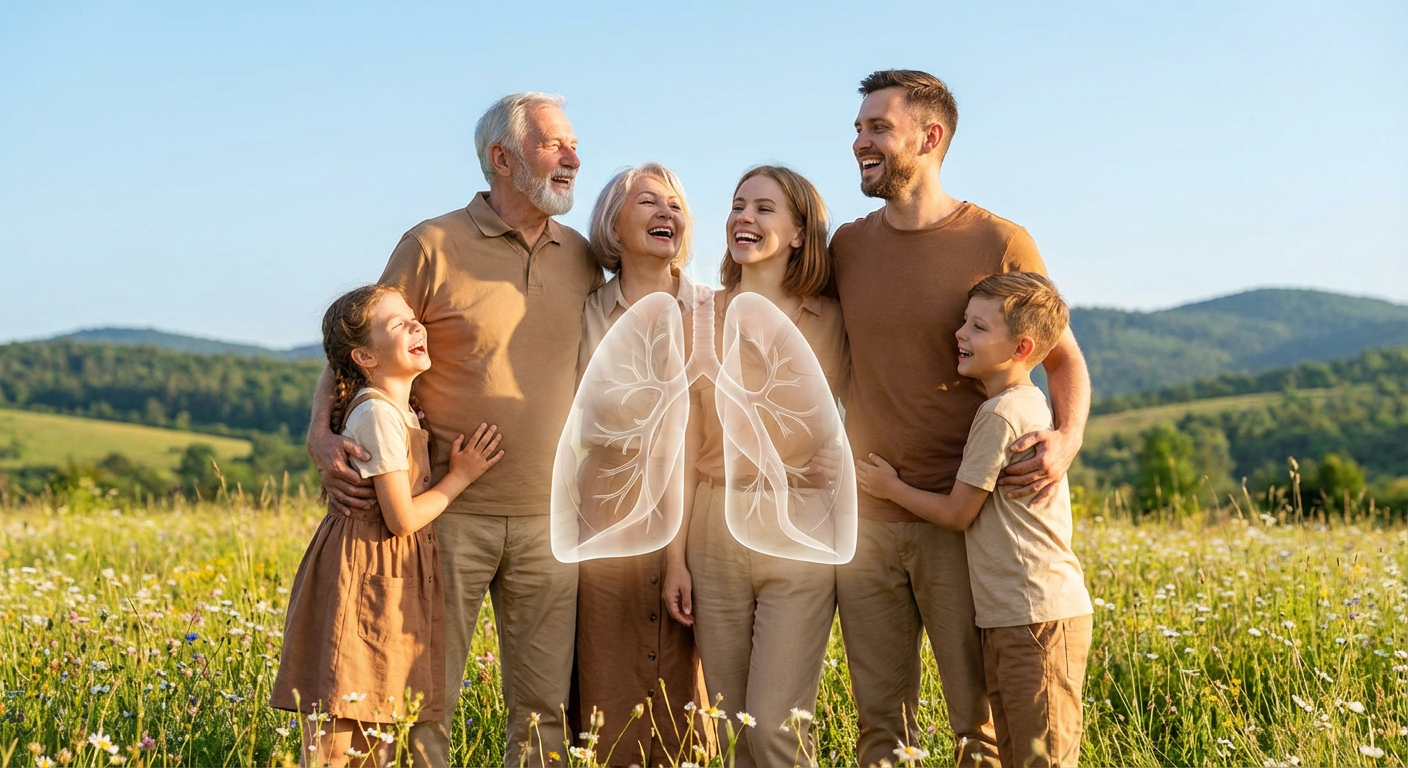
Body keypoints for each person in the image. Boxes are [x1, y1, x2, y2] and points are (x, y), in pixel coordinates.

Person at [305, 92, 601, 768]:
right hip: (446, 515)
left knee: (543, 713)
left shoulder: (582, 256)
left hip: (551, 520)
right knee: (423, 706)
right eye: (555, 145)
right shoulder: (431, 244)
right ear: (502, 158)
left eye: (573, 144)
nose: (573, 159)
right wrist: (322, 436)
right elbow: (352, 341)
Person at [831, 69, 1092, 767]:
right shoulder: (846, 247)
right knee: (880, 731)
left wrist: (1066, 440)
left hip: (962, 525)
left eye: (877, 127)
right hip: (866, 527)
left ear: (930, 136)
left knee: (979, 734)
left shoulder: (1000, 241)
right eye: (858, 127)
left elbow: (1061, 358)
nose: (859, 140)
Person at [856, 272, 1094, 768]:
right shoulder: (1014, 406)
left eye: (978, 327)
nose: (960, 334)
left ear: (1022, 347)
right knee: (1016, 752)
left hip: (1035, 615)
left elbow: (957, 512)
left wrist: (891, 488)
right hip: (1013, 615)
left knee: (1040, 758)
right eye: (965, 322)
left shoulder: (1003, 415)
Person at [272, 284, 504, 768]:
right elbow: (401, 518)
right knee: (343, 725)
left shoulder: (400, 407)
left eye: (413, 319)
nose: (416, 326)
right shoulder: (377, 413)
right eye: (398, 325)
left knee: (379, 722)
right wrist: (460, 476)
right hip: (364, 573)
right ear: (364, 356)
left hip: (385, 574)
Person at [663, 165, 848, 767]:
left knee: (775, 730)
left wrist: (838, 459)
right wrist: (675, 557)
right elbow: (681, 443)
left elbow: (868, 407)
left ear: (799, 232)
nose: (744, 217)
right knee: (733, 729)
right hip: (714, 525)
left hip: (798, 527)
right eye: (739, 205)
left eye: (765, 208)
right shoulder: (698, 317)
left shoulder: (832, 321)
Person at [571, 163, 705, 766]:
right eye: (648, 201)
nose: (667, 213)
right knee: (605, 679)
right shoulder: (586, 312)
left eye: (675, 204)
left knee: (688, 685)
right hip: (606, 507)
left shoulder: (713, 310)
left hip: (699, 509)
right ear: (612, 224)